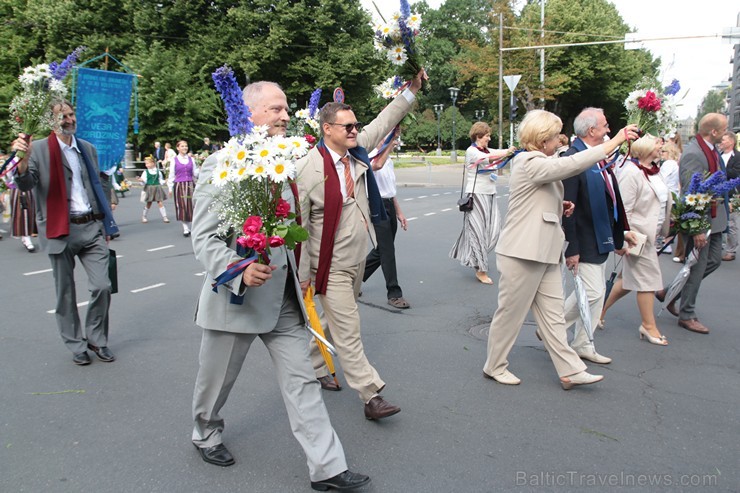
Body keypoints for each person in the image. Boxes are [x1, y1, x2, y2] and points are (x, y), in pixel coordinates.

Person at [190, 80, 370, 491]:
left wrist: (303, 271)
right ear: (249, 113)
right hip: (235, 299)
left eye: (287, 108)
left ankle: (327, 469)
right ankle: (205, 432)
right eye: (276, 109)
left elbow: (293, 224)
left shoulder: (286, 159)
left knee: (303, 382)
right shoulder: (221, 164)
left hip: (285, 299)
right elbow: (203, 239)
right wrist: (237, 268)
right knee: (216, 381)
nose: (286, 116)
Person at [297, 70, 426, 419]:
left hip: (357, 261)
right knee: (349, 329)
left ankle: (314, 365)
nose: (355, 130)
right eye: (348, 127)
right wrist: (304, 274)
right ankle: (371, 395)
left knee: (333, 321)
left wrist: (412, 90)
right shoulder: (308, 169)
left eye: (356, 126)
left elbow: (386, 119)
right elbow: (300, 227)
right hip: (330, 265)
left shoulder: (357, 150)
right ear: (327, 130)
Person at [482, 109, 638, 389]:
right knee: (511, 315)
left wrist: (559, 207)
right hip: (523, 252)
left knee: (554, 318)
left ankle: (571, 371)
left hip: (547, 250)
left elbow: (537, 197)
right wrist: (614, 142)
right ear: (543, 140)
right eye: (555, 136)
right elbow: (572, 165)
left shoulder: (541, 161)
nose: (560, 140)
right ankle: (494, 365)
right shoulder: (529, 161)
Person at [11, 100, 119, 365]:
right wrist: (21, 160)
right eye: (62, 116)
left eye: (71, 115)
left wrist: (107, 221)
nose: (69, 120)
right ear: (51, 121)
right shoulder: (37, 150)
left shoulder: (88, 148)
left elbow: (97, 184)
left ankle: (96, 339)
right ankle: (76, 344)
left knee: (103, 286)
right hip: (60, 229)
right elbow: (25, 183)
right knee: (65, 293)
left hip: (91, 227)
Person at [561, 108, 636, 364]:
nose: (608, 130)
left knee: (596, 294)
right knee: (592, 293)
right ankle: (554, 328)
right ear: (592, 130)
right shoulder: (573, 159)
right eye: (605, 125)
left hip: (599, 235)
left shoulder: (598, 158)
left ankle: (583, 343)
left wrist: (620, 235)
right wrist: (571, 247)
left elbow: (608, 201)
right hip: (583, 239)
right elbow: (567, 208)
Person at [655, 113, 729, 334]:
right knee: (696, 267)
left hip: (714, 219)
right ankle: (687, 314)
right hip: (700, 222)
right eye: (723, 130)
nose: (726, 134)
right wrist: (697, 228)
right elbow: (691, 193)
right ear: (713, 132)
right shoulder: (694, 153)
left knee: (713, 261)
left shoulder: (712, 149)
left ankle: (669, 292)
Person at [600, 135, 672, 346]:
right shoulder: (631, 172)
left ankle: (597, 312)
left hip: (651, 235)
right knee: (648, 280)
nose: (662, 146)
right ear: (647, 147)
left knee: (627, 281)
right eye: (658, 143)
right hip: (637, 236)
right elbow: (623, 209)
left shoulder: (653, 170)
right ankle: (648, 326)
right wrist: (622, 239)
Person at [449, 122, 512, 285]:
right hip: (476, 195)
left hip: (490, 193)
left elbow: (494, 153)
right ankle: (481, 269)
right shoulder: (472, 151)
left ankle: (475, 257)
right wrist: (506, 152)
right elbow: (489, 158)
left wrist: (512, 151)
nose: (489, 139)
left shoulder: (485, 149)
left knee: (494, 230)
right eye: (486, 136)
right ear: (478, 136)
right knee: (477, 231)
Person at [362, 129, 410, 308]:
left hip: (388, 204)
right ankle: (394, 293)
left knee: (382, 250)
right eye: (390, 138)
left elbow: (391, 189)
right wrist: (389, 145)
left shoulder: (388, 160)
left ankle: (355, 279)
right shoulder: (371, 156)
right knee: (387, 250)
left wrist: (399, 212)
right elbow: (377, 166)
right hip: (375, 205)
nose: (394, 141)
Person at [167, 140, 197, 236]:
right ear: (178, 148)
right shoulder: (174, 160)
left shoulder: (191, 159)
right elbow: (171, 174)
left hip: (190, 184)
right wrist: (170, 188)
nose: (184, 148)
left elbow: (194, 173)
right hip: (179, 185)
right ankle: (185, 228)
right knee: (182, 206)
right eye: (182, 146)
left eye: (186, 146)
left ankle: (193, 227)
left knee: (192, 206)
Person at [658, 141, 680, 256]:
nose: (661, 153)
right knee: (670, 220)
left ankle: (664, 243)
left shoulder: (668, 164)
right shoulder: (674, 164)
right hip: (674, 194)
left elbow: (662, 179)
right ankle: (666, 243)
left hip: (668, 195)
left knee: (665, 219)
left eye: (663, 151)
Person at [720, 131, 739, 261]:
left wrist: (720, 171)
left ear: (731, 142)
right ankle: (721, 245)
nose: (721, 142)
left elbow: (736, 173)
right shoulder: (719, 155)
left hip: (733, 193)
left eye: (724, 140)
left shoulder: (737, 157)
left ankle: (731, 250)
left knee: (732, 222)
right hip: (719, 192)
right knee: (721, 219)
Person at [8, 175, 38, 251]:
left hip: (29, 185)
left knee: (30, 210)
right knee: (21, 211)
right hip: (16, 185)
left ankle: (27, 235)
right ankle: (25, 236)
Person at [138, 156, 169, 223]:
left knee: (160, 202)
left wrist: (165, 181)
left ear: (153, 163)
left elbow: (160, 180)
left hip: (157, 187)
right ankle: (144, 216)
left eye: (148, 163)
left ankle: (165, 216)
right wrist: (141, 180)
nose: (147, 165)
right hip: (149, 188)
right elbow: (144, 181)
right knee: (149, 203)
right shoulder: (145, 172)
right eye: (146, 164)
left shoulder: (158, 172)